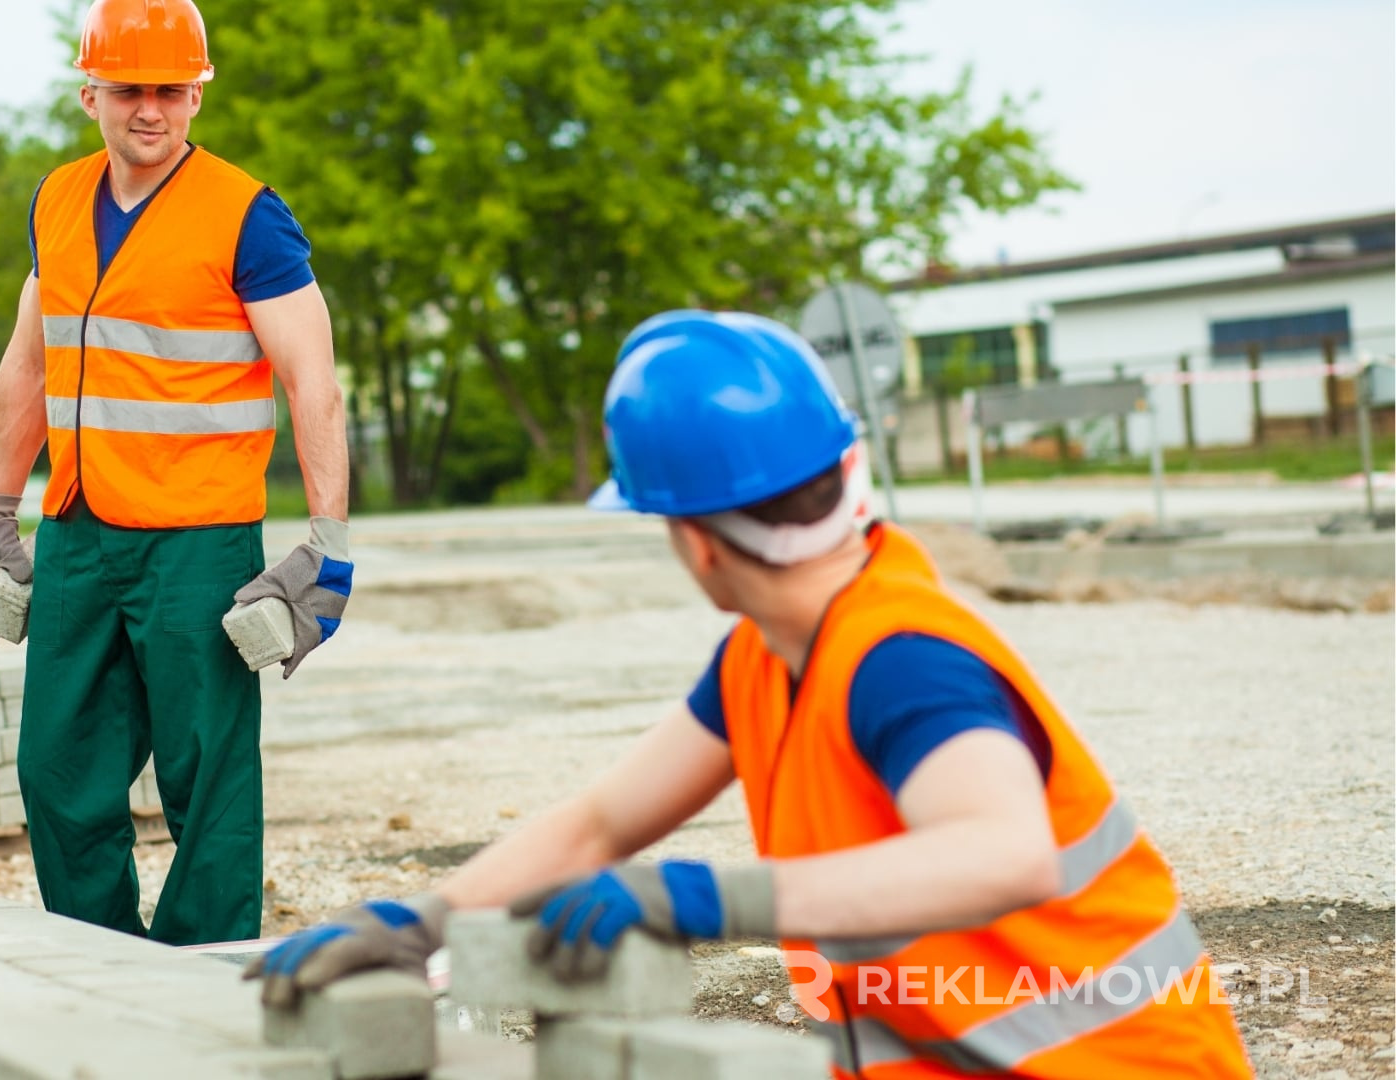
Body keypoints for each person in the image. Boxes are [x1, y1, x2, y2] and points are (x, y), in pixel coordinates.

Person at [248, 311, 1252, 1077]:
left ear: (688, 538)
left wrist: (706, 896)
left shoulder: (900, 656)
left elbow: (1006, 852)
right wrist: (417, 922)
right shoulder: (771, 655)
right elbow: (601, 824)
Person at [0, 0, 352, 946]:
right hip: (81, 531)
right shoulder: (55, 201)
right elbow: (28, 362)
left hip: (197, 540)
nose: (152, 110)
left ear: (196, 95)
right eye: (132, 89)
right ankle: (104, 960)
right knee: (56, 771)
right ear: (90, 91)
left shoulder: (246, 217)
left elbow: (314, 379)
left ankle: (205, 974)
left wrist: (328, 544)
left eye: (172, 91)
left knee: (207, 779)